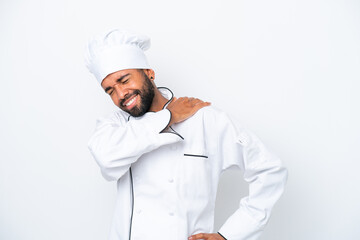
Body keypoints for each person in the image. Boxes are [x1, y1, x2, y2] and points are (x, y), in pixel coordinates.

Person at [85, 29, 288, 240]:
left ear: (148, 73)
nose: (120, 95)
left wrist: (230, 235)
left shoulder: (206, 120)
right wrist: (168, 117)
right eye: (110, 90)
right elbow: (107, 160)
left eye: (124, 80)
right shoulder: (114, 127)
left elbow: (270, 170)